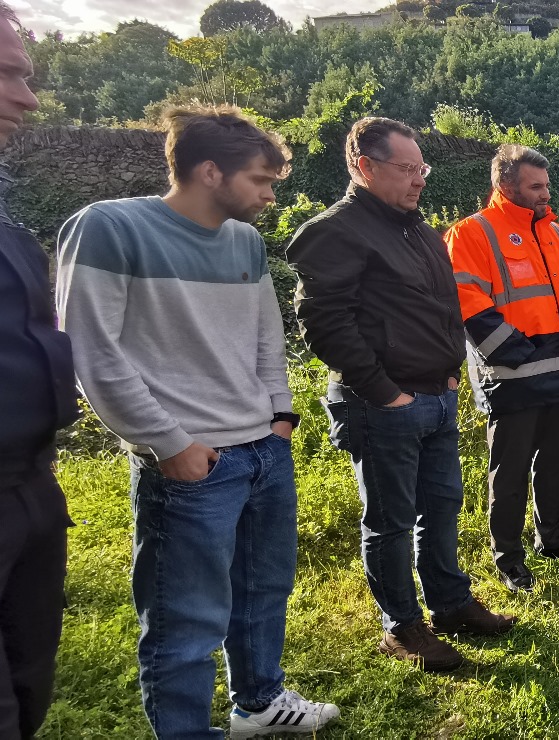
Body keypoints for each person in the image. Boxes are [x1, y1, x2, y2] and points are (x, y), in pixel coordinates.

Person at [55, 105, 338, 738]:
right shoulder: (108, 228)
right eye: (260, 180)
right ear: (211, 171)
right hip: (191, 461)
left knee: (263, 591)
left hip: (263, 449)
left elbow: (266, 337)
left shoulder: (244, 241)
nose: (270, 196)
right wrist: (168, 443)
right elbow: (91, 352)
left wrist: (280, 416)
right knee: (185, 619)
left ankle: (259, 703)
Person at [287, 117, 513, 673]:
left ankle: (451, 604)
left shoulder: (419, 230)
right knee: (390, 521)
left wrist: (451, 374)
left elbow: (445, 307)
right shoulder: (335, 232)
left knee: (442, 506)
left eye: (422, 168)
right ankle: (403, 627)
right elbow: (325, 324)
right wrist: (385, 393)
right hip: (382, 404)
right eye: (407, 169)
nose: (419, 180)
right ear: (364, 167)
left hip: (437, 394)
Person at [444, 145, 559, 594]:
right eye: (535, 187)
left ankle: (551, 540)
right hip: (512, 380)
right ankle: (509, 559)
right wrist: (519, 353)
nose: (545, 194)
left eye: (546, 185)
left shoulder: (556, 234)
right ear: (505, 185)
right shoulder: (471, 233)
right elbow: (467, 303)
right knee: (508, 476)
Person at [0, 8, 75, 737]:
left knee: (27, 689)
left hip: (30, 488)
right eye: (7, 74)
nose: (28, 98)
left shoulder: (7, 226)